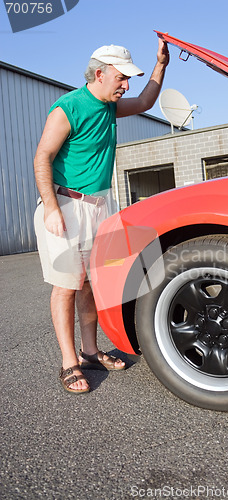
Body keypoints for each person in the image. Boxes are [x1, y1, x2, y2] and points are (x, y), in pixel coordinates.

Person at [34, 38, 169, 394]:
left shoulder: (110, 107)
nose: (126, 85)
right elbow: (42, 157)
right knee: (66, 287)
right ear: (100, 74)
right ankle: (69, 363)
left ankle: (91, 351)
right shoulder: (68, 108)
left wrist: (161, 65)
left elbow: (145, 101)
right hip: (64, 205)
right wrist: (50, 208)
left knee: (92, 286)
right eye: (122, 78)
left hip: (99, 207)